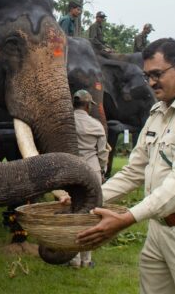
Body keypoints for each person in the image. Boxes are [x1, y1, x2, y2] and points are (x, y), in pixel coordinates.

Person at [77, 38, 175, 294]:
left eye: (157, 74)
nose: (151, 82)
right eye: (148, 76)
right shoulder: (158, 113)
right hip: (158, 228)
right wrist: (88, 199)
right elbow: (133, 171)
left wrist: (126, 218)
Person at [69, 90, 108, 269]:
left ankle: (74, 259)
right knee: (91, 215)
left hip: (72, 171)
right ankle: (86, 259)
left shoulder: (66, 124)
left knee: (74, 213)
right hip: (92, 171)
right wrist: (103, 170)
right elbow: (102, 152)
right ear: (87, 105)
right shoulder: (96, 125)